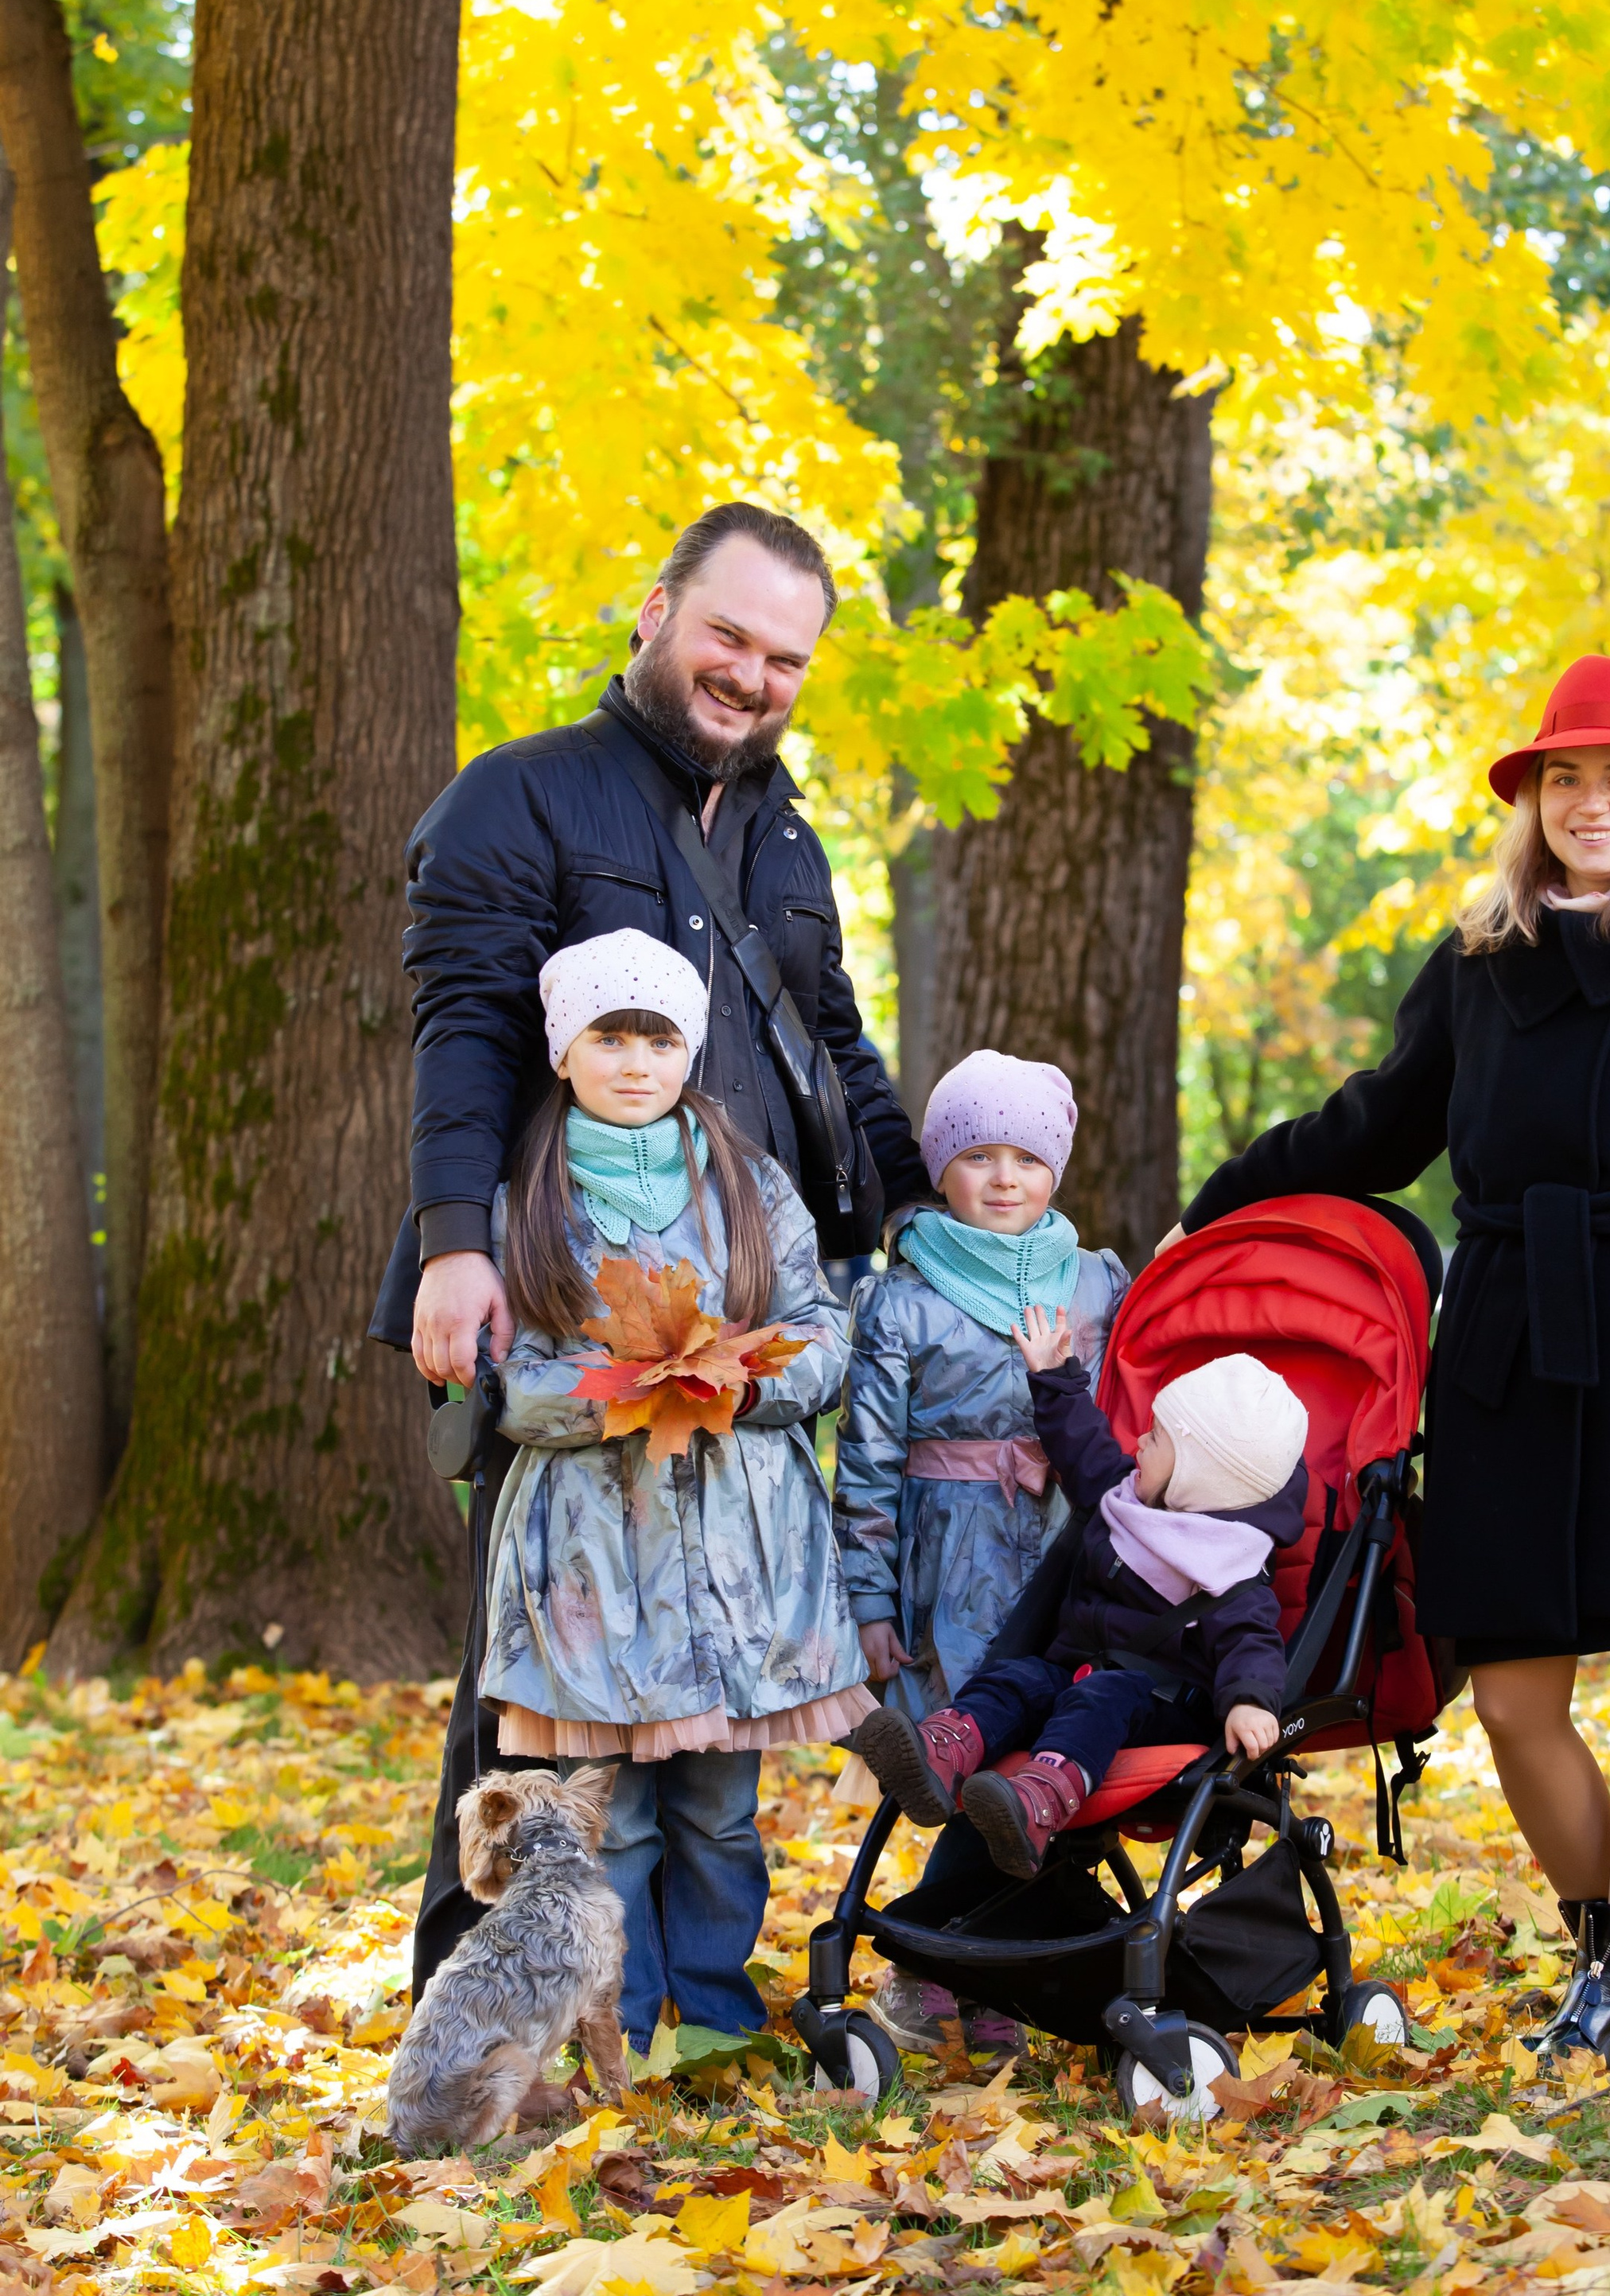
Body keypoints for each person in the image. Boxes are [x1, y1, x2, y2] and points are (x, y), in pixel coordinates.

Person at [1167, 656, 1610, 2068]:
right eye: (1568, 777)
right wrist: (1219, 1200)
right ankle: (1601, 1957)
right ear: (1535, 798)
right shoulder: (1482, 964)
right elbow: (1376, 1128)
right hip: (1502, 1339)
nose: (1594, 803)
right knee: (1510, 1688)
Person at [373, 500, 925, 1998]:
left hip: (749, 1330)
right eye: (729, 635)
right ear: (655, 608)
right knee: (535, 1681)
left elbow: (835, 1052)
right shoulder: (521, 799)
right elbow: (468, 1036)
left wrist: (917, 1225)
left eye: (786, 658)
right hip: (558, 1304)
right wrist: (452, 1246)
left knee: (700, 1697)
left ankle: (681, 1993)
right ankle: (482, 2000)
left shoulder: (784, 831)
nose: (752, 675)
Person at [487, 929, 871, 2044]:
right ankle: (629, 2022)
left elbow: (820, 1331)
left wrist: (744, 1388)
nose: (636, 1061)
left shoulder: (750, 1186)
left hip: (740, 1548)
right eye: (610, 1036)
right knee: (618, 1821)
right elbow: (505, 1382)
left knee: (720, 1811)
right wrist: (623, 1392)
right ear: (566, 1052)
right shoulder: (528, 1197)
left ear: (688, 1051)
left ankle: (714, 2014)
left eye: (658, 1037)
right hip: (598, 1552)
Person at [831, 1050, 1128, 2049]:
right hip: (947, 1555)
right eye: (978, 1157)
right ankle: (935, 1971)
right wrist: (869, 1603)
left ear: (1057, 1168)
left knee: (1038, 1749)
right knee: (963, 1745)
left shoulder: (1095, 1283)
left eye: (1026, 1158)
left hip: (1063, 1551)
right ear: (941, 1169)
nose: (1004, 1178)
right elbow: (865, 1464)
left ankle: (987, 1963)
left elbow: (1132, 1417)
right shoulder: (902, 1297)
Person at [850, 1317, 1309, 1878]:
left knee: (1102, 1698)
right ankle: (941, 1754)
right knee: (1016, 1677)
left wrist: (1251, 1701)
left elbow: (1252, 1641)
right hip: (1074, 1675)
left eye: (1158, 1437)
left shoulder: (1228, 1563)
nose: (1140, 1439)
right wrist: (1053, 1375)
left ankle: (1038, 1802)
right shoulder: (1126, 1501)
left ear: (1196, 1473)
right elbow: (1082, 1443)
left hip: (1158, 1704)